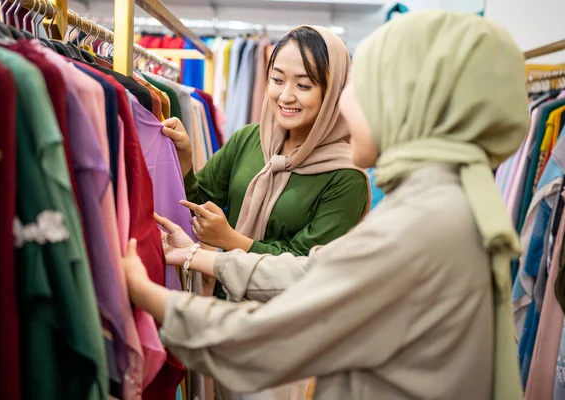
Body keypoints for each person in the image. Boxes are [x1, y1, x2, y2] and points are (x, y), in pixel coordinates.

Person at [125, 10, 529, 400]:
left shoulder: (426, 222)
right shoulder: (445, 204)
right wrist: (199, 255)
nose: (346, 104)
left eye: (364, 88)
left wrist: (148, 294)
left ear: (412, 105)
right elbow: (312, 270)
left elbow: (271, 328)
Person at [161, 26, 371, 293]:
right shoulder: (249, 139)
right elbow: (198, 207)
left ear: (332, 92)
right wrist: (186, 162)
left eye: (303, 85)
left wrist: (231, 239)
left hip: (289, 321)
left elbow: (307, 267)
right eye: (277, 79)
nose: (285, 96)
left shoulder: (346, 177)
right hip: (224, 306)